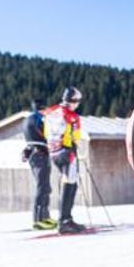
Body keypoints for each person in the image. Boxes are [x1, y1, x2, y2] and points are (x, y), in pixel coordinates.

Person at [44, 86, 86, 233]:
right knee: (71, 185)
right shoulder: (72, 116)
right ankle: (65, 221)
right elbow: (76, 136)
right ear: (73, 101)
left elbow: (46, 132)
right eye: (77, 101)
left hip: (53, 152)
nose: (78, 105)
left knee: (66, 183)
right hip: (67, 152)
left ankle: (65, 219)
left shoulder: (51, 112)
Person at [21, 99, 56, 230]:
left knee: (45, 187)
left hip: (35, 154)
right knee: (43, 187)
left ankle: (45, 217)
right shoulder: (39, 119)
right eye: (46, 109)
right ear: (42, 108)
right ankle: (39, 219)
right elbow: (47, 135)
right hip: (40, 154)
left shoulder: (28, 119)